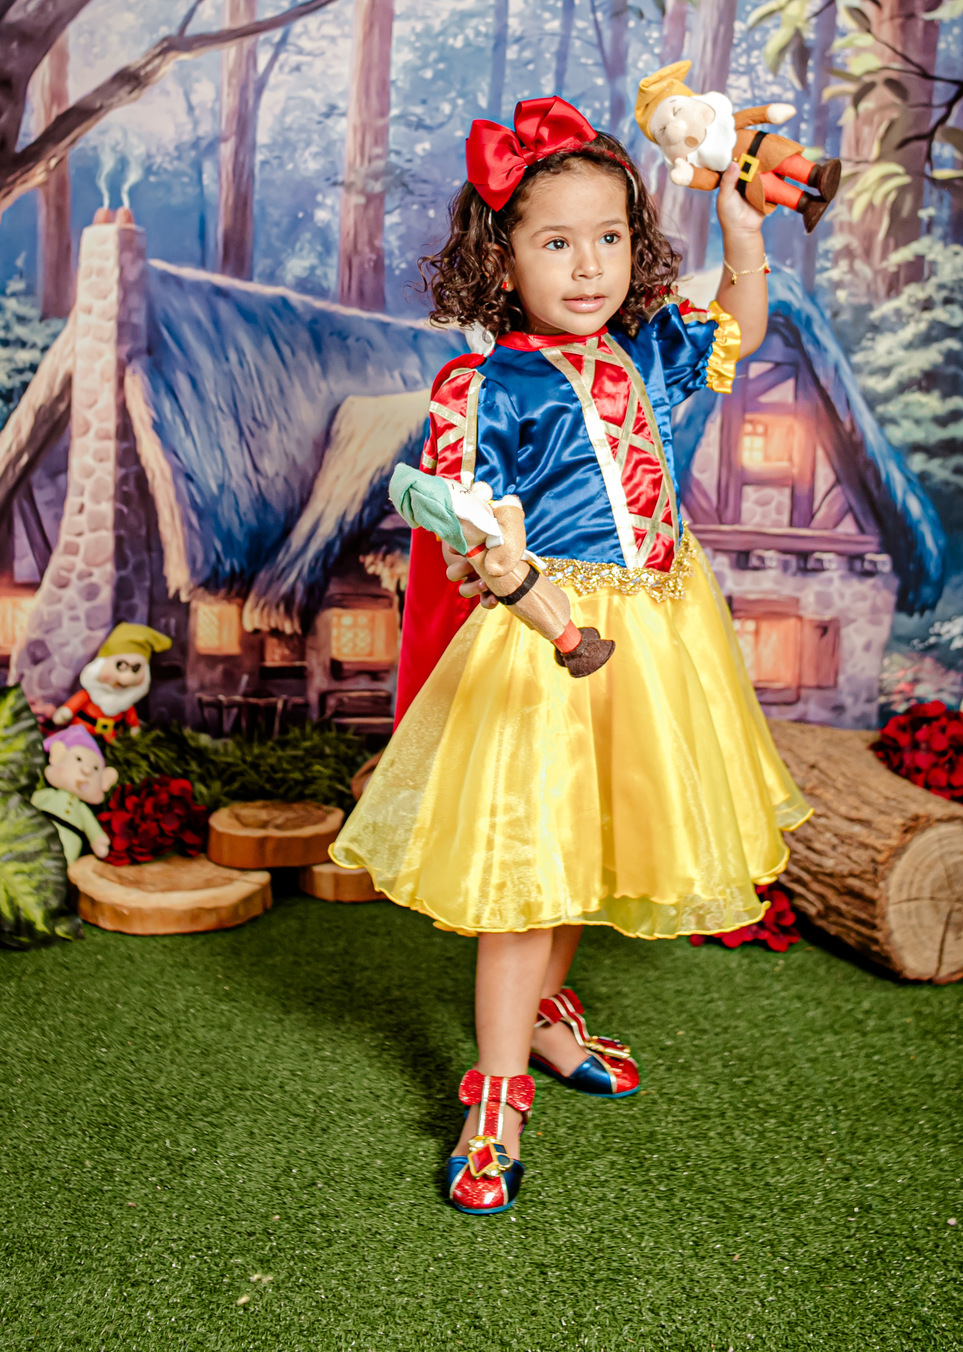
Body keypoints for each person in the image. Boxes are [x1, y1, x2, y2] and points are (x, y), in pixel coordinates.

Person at [330, 95, 810, 1216]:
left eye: (610, 239)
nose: (589, 267)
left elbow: (740, 327)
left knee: (593, 840)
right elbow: (466, 521)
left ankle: (548, 1019)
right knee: (521, 877)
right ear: (500, 259)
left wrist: (743, 239)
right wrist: (500, 563)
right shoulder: (482, 384)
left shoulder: (648, 345)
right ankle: (492, 1094)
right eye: (556, 242)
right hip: (542, 652)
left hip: (657, 636)